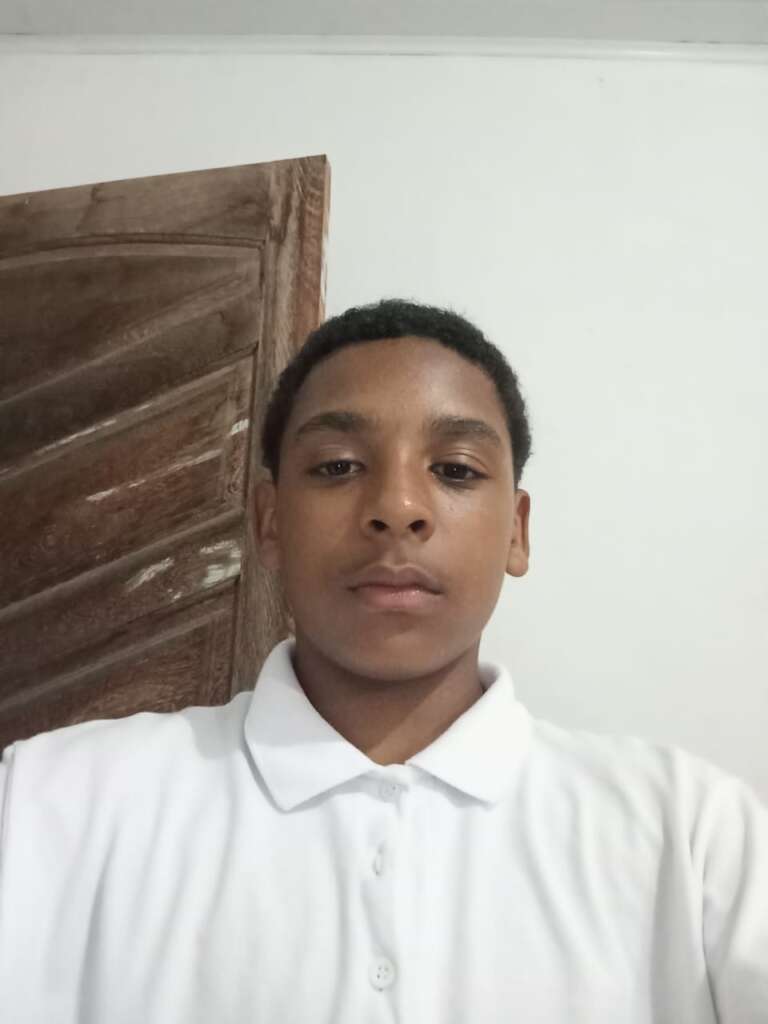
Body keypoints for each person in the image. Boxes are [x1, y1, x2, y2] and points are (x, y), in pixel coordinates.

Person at [0, 298, 766, 1023]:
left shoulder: (693, 836)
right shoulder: (50, 807)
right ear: (268, 523)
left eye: (455, 469)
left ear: (516, 531)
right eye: (337, 466)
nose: (397, 507)